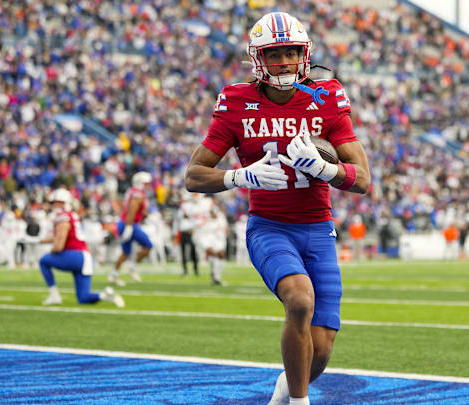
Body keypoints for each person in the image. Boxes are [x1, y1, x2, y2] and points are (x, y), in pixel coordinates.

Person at [185, 12, 370, 405]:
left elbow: (364, 179)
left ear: (304, 55)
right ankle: (299, 403)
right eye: (274, 53)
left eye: (290, 52)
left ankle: (286, 390)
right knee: (300, 300)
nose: (284, 61)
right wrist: (240, 177)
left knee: (320, 351)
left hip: (318, 230)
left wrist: (325, 168)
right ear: (258, 59)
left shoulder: (326, 96)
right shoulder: (236, 101)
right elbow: (194, 175)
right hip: (269, 226)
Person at [39, 188, 124, 307]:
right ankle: (105, 295)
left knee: (44, 261)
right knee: (83, 298)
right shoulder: (72, 216)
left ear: (64, 203)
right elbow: (59, 235)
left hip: (74, 256)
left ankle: (54, 296)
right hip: (86, 258)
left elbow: (59, 245)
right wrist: (39, 240)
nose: (54, 205)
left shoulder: (62, 217)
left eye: (57, 202)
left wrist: (51, 251)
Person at [109, 171, 154, 286]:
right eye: (146, 183)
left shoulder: (133, 191)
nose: (148, 185)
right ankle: (132, 266)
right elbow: (132, 209)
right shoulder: (137, 193)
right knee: (148, 245)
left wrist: (145, 214)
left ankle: (113, 274)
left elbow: (136, 208)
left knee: (125, 252)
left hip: (125, 223)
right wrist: (129, 226)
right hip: (128, 224)